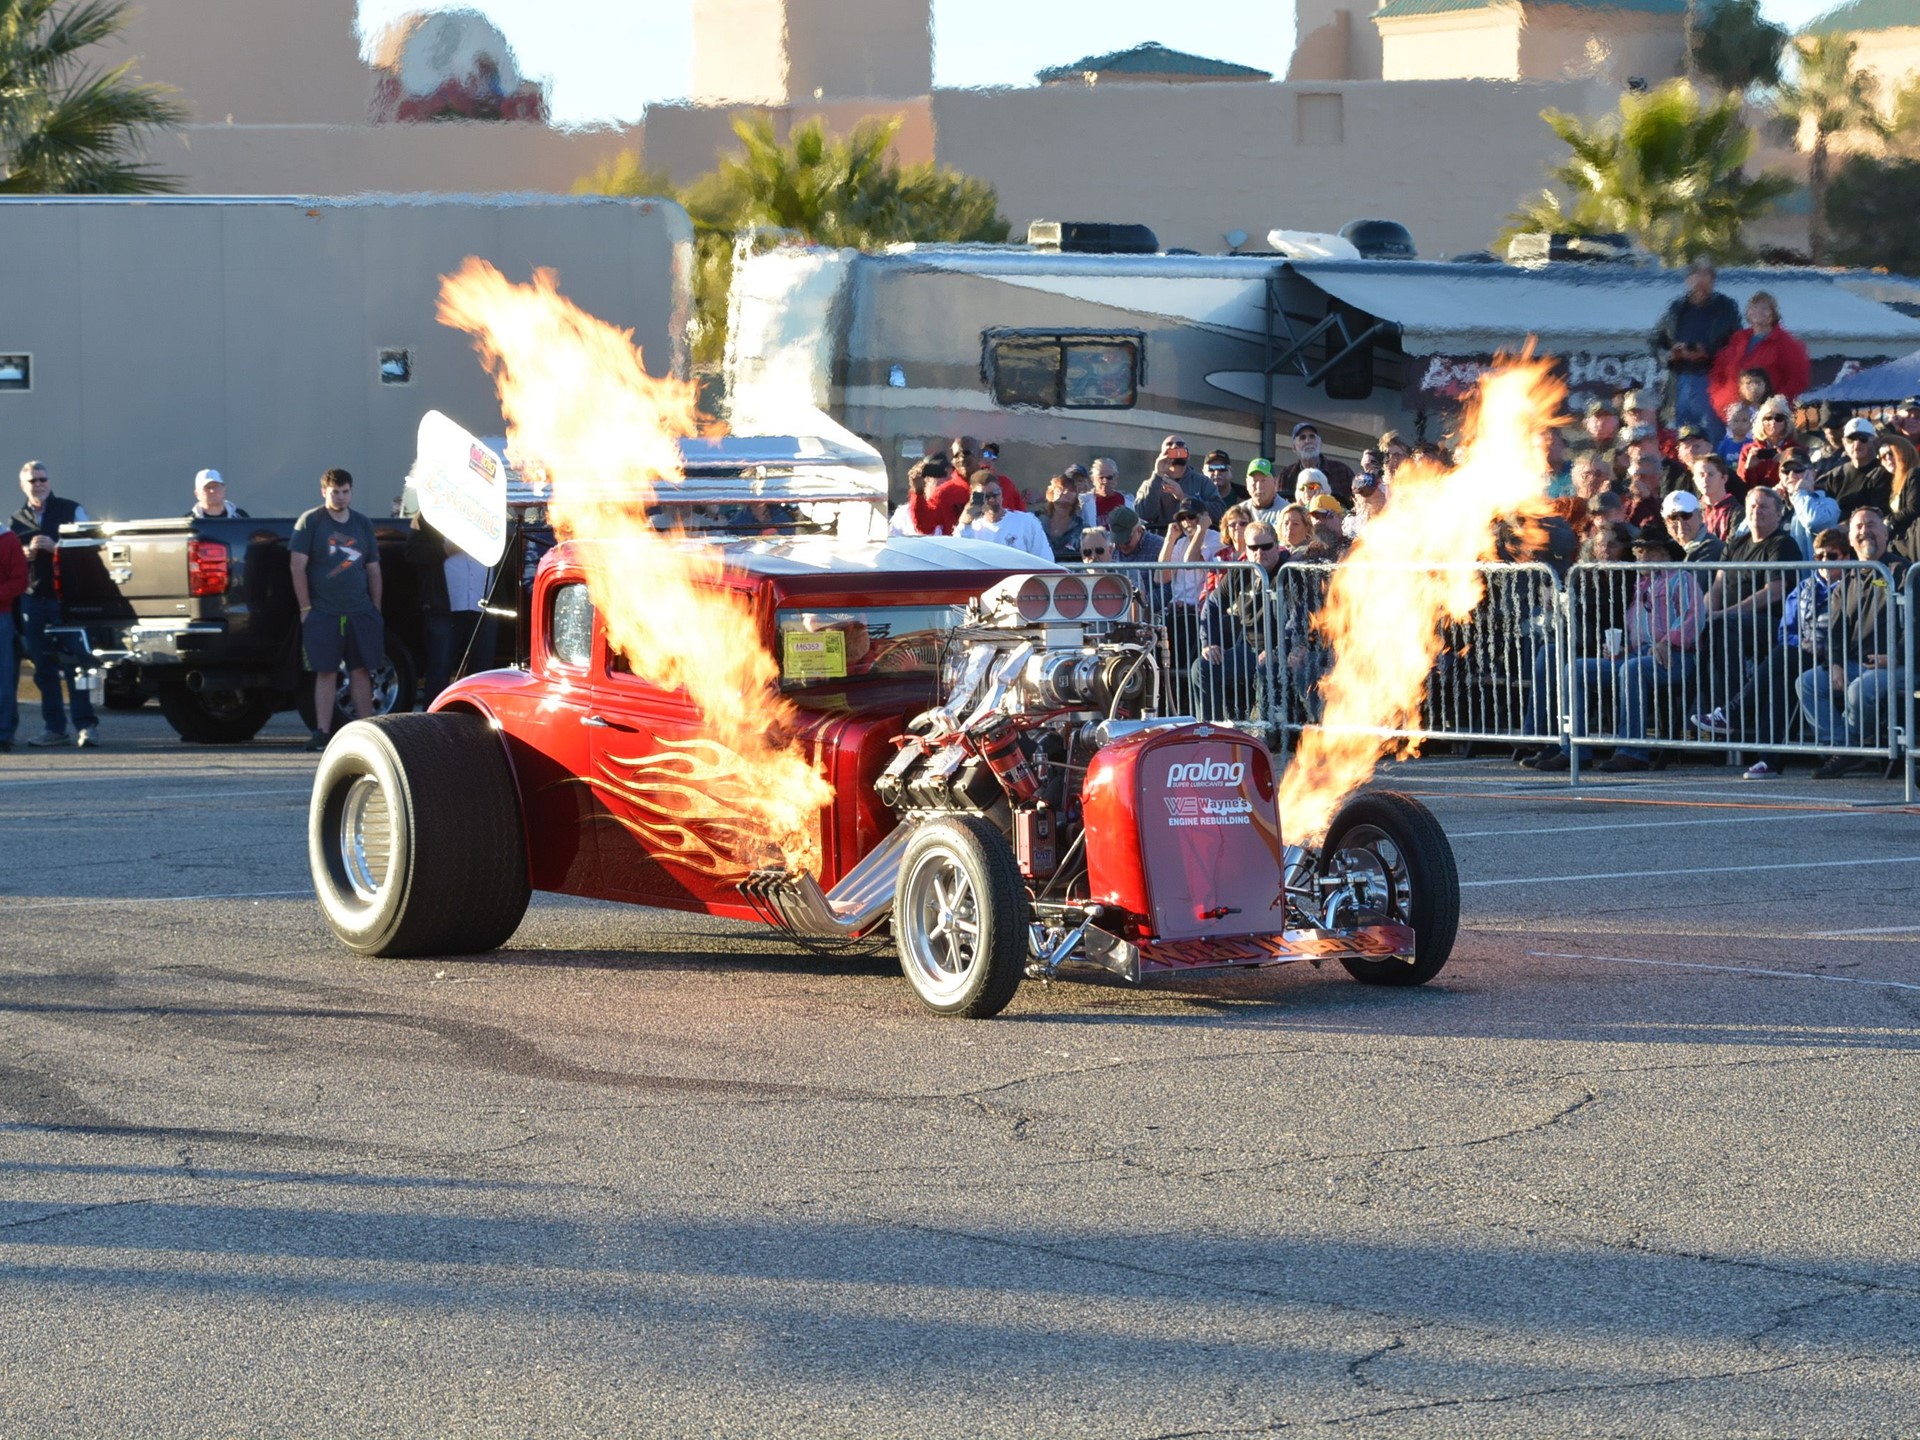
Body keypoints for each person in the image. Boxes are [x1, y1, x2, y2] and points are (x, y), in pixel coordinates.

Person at [1692, 525, 1851, 774]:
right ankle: (1769, 760)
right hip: (1802, 654)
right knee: (1780, 677)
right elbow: (1785, 630)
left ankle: (1734, 713)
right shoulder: (1804, 588)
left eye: (1831, 556)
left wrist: (1822, 647)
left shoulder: (1853, 587)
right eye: (1818, 556)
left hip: (1836, 658)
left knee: (1782, 658)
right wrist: (1803, 644)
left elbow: (1852, 630)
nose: (1823, 561)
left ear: (1846, 557)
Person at [1797, 508, 1910, 777]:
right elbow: (1835, 633)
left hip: (1901, 666)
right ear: (1851, 537)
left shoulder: (1902, 572)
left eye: (1871, 525)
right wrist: (1835, 664)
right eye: (1858, 527)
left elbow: (1915, 623)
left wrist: (1895, 657)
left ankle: (1849, 752)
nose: (1864, 531)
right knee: (1808, 682)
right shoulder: (1846, 579)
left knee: (1860, 689)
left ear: (1885, 533)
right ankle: (1844, 749)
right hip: (1856, 663)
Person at [1588, 529, 1707, 771]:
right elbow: (1638, 630)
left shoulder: (1681, 578)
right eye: (1639, 552)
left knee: (1631, 670)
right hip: (1637, 654)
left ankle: (1632, 751)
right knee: (1576, 669)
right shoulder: (1639, 585)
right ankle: (1573, 750)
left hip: (1676, 657)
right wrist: (1619, 649)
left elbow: (1694, 618)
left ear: (1666, 556)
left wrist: (1668, 642)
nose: (1642, 557)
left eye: (1650, 552)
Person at [290, 468, 384, 753]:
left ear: (351, 491)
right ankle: (322, 731)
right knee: (326, 671)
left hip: (360, 611)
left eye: (345, 492)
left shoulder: (362, 524)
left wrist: (376, 609)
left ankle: (368, 729)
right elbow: (297, 567)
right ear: (324, 492)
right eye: (335, 492)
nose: (341, 497)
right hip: (324, 612)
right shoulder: (311, 522)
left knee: (360, 670)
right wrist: (305, 607)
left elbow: (374, 569)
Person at [9, 460, 98, 748]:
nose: (39, 484)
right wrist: (24, 552)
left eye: (42, 478)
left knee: (77, 666)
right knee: (43, 669)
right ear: (23, 485)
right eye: (32, 481)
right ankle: (54, 729)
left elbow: (94, 547)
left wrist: (57, 547)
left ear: (49, 480)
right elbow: (7, 562)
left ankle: (87, 727)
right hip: (33, 601)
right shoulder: (16, 521)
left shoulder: (71, 510)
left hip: (66, 601)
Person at [1190, 520, 1288, 723]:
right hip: (1248, 649)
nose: (1260, 552)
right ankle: (1212, 730)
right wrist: (1209, 642)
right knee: (1202, 667)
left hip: (1283, 652)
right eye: (1253, 547)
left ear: (1277, 545)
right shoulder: (1239, 571)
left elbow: (1298, 620)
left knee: (1266, 668)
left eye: (1266, 546)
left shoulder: (1288, 572)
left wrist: (1278, 651)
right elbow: (1212, 604)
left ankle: (1265, 731)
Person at [409, 513, 496, 706]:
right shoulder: (430, 511)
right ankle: (433, 723)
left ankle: (477, 722)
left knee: (482, 672)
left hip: (484, 606)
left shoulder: (490, 511)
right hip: (444, 607)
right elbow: (412, 552)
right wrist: (445, 550)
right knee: (440, 669)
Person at [1652, 258, 1742, 438]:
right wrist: (1671, 354)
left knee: (1712, 436)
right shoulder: (1676, 309)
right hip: (1680, 381)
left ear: (1713, 279)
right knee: (1682, 436)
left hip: (1711, 380)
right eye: (1696, 274)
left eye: (1705, 274)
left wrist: (1708, 353)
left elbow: (1737, 345)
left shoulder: (1726, 309)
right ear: (1688, 279)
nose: (1700, 280)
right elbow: (1655, 342)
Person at [1708, 290, 1811, 424]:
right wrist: (1719, 400)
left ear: (1774, 314)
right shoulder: (1737, 340)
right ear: (1748, 313)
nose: (1759, 312)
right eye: (1754, 307)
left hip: (1766, 417)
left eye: (1765, 308)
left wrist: (1774, 404)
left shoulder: (1787, 344)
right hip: (1730, 414)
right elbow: (1718, 372)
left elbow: (1798, 379)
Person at [955, 478, 1052, 561]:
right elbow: (956, 559)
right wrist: (965, 521)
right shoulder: (969, 528)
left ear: (1001, 494)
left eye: (995, 494)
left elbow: (1045, 560)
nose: (992, 500)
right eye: (986, 497)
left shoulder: (1026, 522)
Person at [1777, 452, 1841, 560]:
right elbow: (1744, 533)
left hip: (1808, 574)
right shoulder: (1774, 504)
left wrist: (1800, 492)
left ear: (1812, 474)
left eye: (1798, 469)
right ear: (1780, 476)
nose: (1791, 475)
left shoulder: (1828, 503)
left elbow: (1813, 521)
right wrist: (1766, 499)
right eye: (1786, 471)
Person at [1133, 436, 1206, 529]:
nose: (1175, 446)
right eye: (1169, 445)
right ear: (1161, 455)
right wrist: (1157, 475)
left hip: (1196, 539)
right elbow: (1144, 515)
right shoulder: (1149, 483)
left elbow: (1218, 513)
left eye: (1180, 445)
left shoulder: (1203, 481)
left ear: (1188, 456)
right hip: (1162, 540)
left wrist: (1183, 497)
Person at [1827, 417, 1891, 519]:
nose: (1856, 444)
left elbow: (1876, 515)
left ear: (1874, 442)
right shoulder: (1836, 475)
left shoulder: (1883, 473)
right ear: (1844, 443)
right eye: (1850, 439)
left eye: (1863, 438)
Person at [1279, 421, 1355, 504]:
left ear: (1320, 443)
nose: (1308, 441)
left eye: (1312, 436)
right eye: (1302, 438)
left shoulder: (1342, 471)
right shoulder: (1286, 475)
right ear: (1294, 448)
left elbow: (1357, 503)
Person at [0, 524, 26, 751]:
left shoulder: (8, 539)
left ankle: (3, 734)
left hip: (2, 617)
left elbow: (19, 580)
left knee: (4, 679)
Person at [1738, 396, 1798, 491]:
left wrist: (1784, 464)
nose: (1773, 422)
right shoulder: (1749, 451)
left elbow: (1799, 483)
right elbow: (1740, 488)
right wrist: (1748, 468)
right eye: (1768, 418)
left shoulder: (1796, 450)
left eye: (1779, 418)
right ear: (1761, 422)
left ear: (1786, 422)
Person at [1662, 490, 1723, 564]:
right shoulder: (1665, 550)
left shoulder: (1712, 547)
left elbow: (1696, 575)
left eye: (1685, 515)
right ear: (1666, 523)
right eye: (1673, 518)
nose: (1681, 523)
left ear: (1700, 516)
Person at [1692, 453, 1742, 542]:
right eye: (1701, 475)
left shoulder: (1737, 512)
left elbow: (1733, 548)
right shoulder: (1691, 511)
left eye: (1710, 474)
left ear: (1724, 478)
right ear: (1694, 479)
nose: (1705, 479)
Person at [1038, 474, 1087, 560]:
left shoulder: (1081, 529)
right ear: (1051, 495)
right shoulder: (1035, 522)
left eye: (1071, 490)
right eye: (1061, 489)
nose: (1065, 493)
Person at [1622, 451, 1665, 532]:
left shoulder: (1666, 502)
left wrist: (1648, 498)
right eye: (1634, 476)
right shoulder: (1625, 503)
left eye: (1641, 476)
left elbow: (1663, 522)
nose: (1636, 480)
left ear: (1658, 477)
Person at [1200, 450, 1245, 517]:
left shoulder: (1246, 496)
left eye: (1222, 468)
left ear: (1231, 471)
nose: (1217, 473)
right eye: (1211, 468)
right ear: (1203, 472)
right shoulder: (1197, 496)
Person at [1344, 469, 1388, 539]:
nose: (1371, 498)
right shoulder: (1351, 526)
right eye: (1362, 492)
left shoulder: (1398, 517)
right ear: (1355, 499)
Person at [1244, 458, 1284, 531]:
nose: (1259, 486)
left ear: (1275, 482)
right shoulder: (1239, 512)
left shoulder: (1286, 513)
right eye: (1254, 481)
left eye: (1264, 481)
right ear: (1247, 483)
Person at [1086, 457, 1127, 522]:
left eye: (1109, 477)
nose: (1105, 481)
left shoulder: (1127, 501)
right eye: (1101, 477)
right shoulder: (1084, 503)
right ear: (1093, 479)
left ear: (1116, 479)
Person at [1717, 402, 1755, 471]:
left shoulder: (1752, 444)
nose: (1739, 424)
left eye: (1744, 421)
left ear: (1751, 424)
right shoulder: (1724, 445)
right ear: (1729, 423)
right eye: (1735, 420)